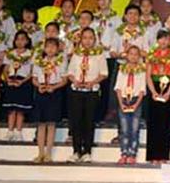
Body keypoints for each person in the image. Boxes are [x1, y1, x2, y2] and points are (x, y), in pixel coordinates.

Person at [66, 27, 108, 163]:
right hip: (76, 91)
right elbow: (70, 72)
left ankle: (87, 151)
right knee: (76, 121)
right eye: (85, 38)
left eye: (90, 38)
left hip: (92, 91)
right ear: (81, 39)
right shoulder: (76, 55)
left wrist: (93, 82)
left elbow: (104, 73)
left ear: (94, 39)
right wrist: (75, 81)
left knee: (89, 121)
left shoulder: (99, 54)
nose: (87, 41)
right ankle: (76, 151)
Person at [145, 30, 170, 164]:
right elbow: (148, 75)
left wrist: (168, 93)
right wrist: (153, 92)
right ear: (157, 40)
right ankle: (152, 156)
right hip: (154, 87)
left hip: (169, 88)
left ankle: (164, 155)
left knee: (167, 122)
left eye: (166, 38)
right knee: (153, 122)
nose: (163, 41)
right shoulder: (151, 55)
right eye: (161, 38)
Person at [31, 38, 67, 163]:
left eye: (53, 46)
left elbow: (64, 80)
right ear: (44, 48)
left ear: (57, 49)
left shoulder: (60, 61)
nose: (50, 49)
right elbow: (34, 78)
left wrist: (54, 87)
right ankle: (40, 152)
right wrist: (39, 86)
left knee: (51, 124)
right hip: (41, 91)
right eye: (48, 46)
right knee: (41, 124)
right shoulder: (39, 61)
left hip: (54, 92)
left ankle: (48, 153)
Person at [115, 45, 146, 165]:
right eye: (131, 54)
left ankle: (132, 153)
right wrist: (121, 103)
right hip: (123, 100)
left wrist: (136, 104)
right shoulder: (122, 69)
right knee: (124, 129)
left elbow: (142, 90)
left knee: (134, 129)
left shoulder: (141, 70)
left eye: (136, 54)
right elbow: (118, 88)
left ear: (139, 57)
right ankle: (124, 153)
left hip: (136, 100)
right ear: (127, 55)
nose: (133, 56)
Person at [2, 30, 34, 141]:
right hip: (11, 80)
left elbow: (32, 71)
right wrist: (7, 80)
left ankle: (18, 131)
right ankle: (10, 131)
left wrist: (23, 81)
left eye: (23, 39)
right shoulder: (10, 54)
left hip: (23, 81)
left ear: (27, 41)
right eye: (17, 39)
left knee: (20, 108)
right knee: (11, 108)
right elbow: (5, 69)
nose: (20, 42)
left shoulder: (30, 54)